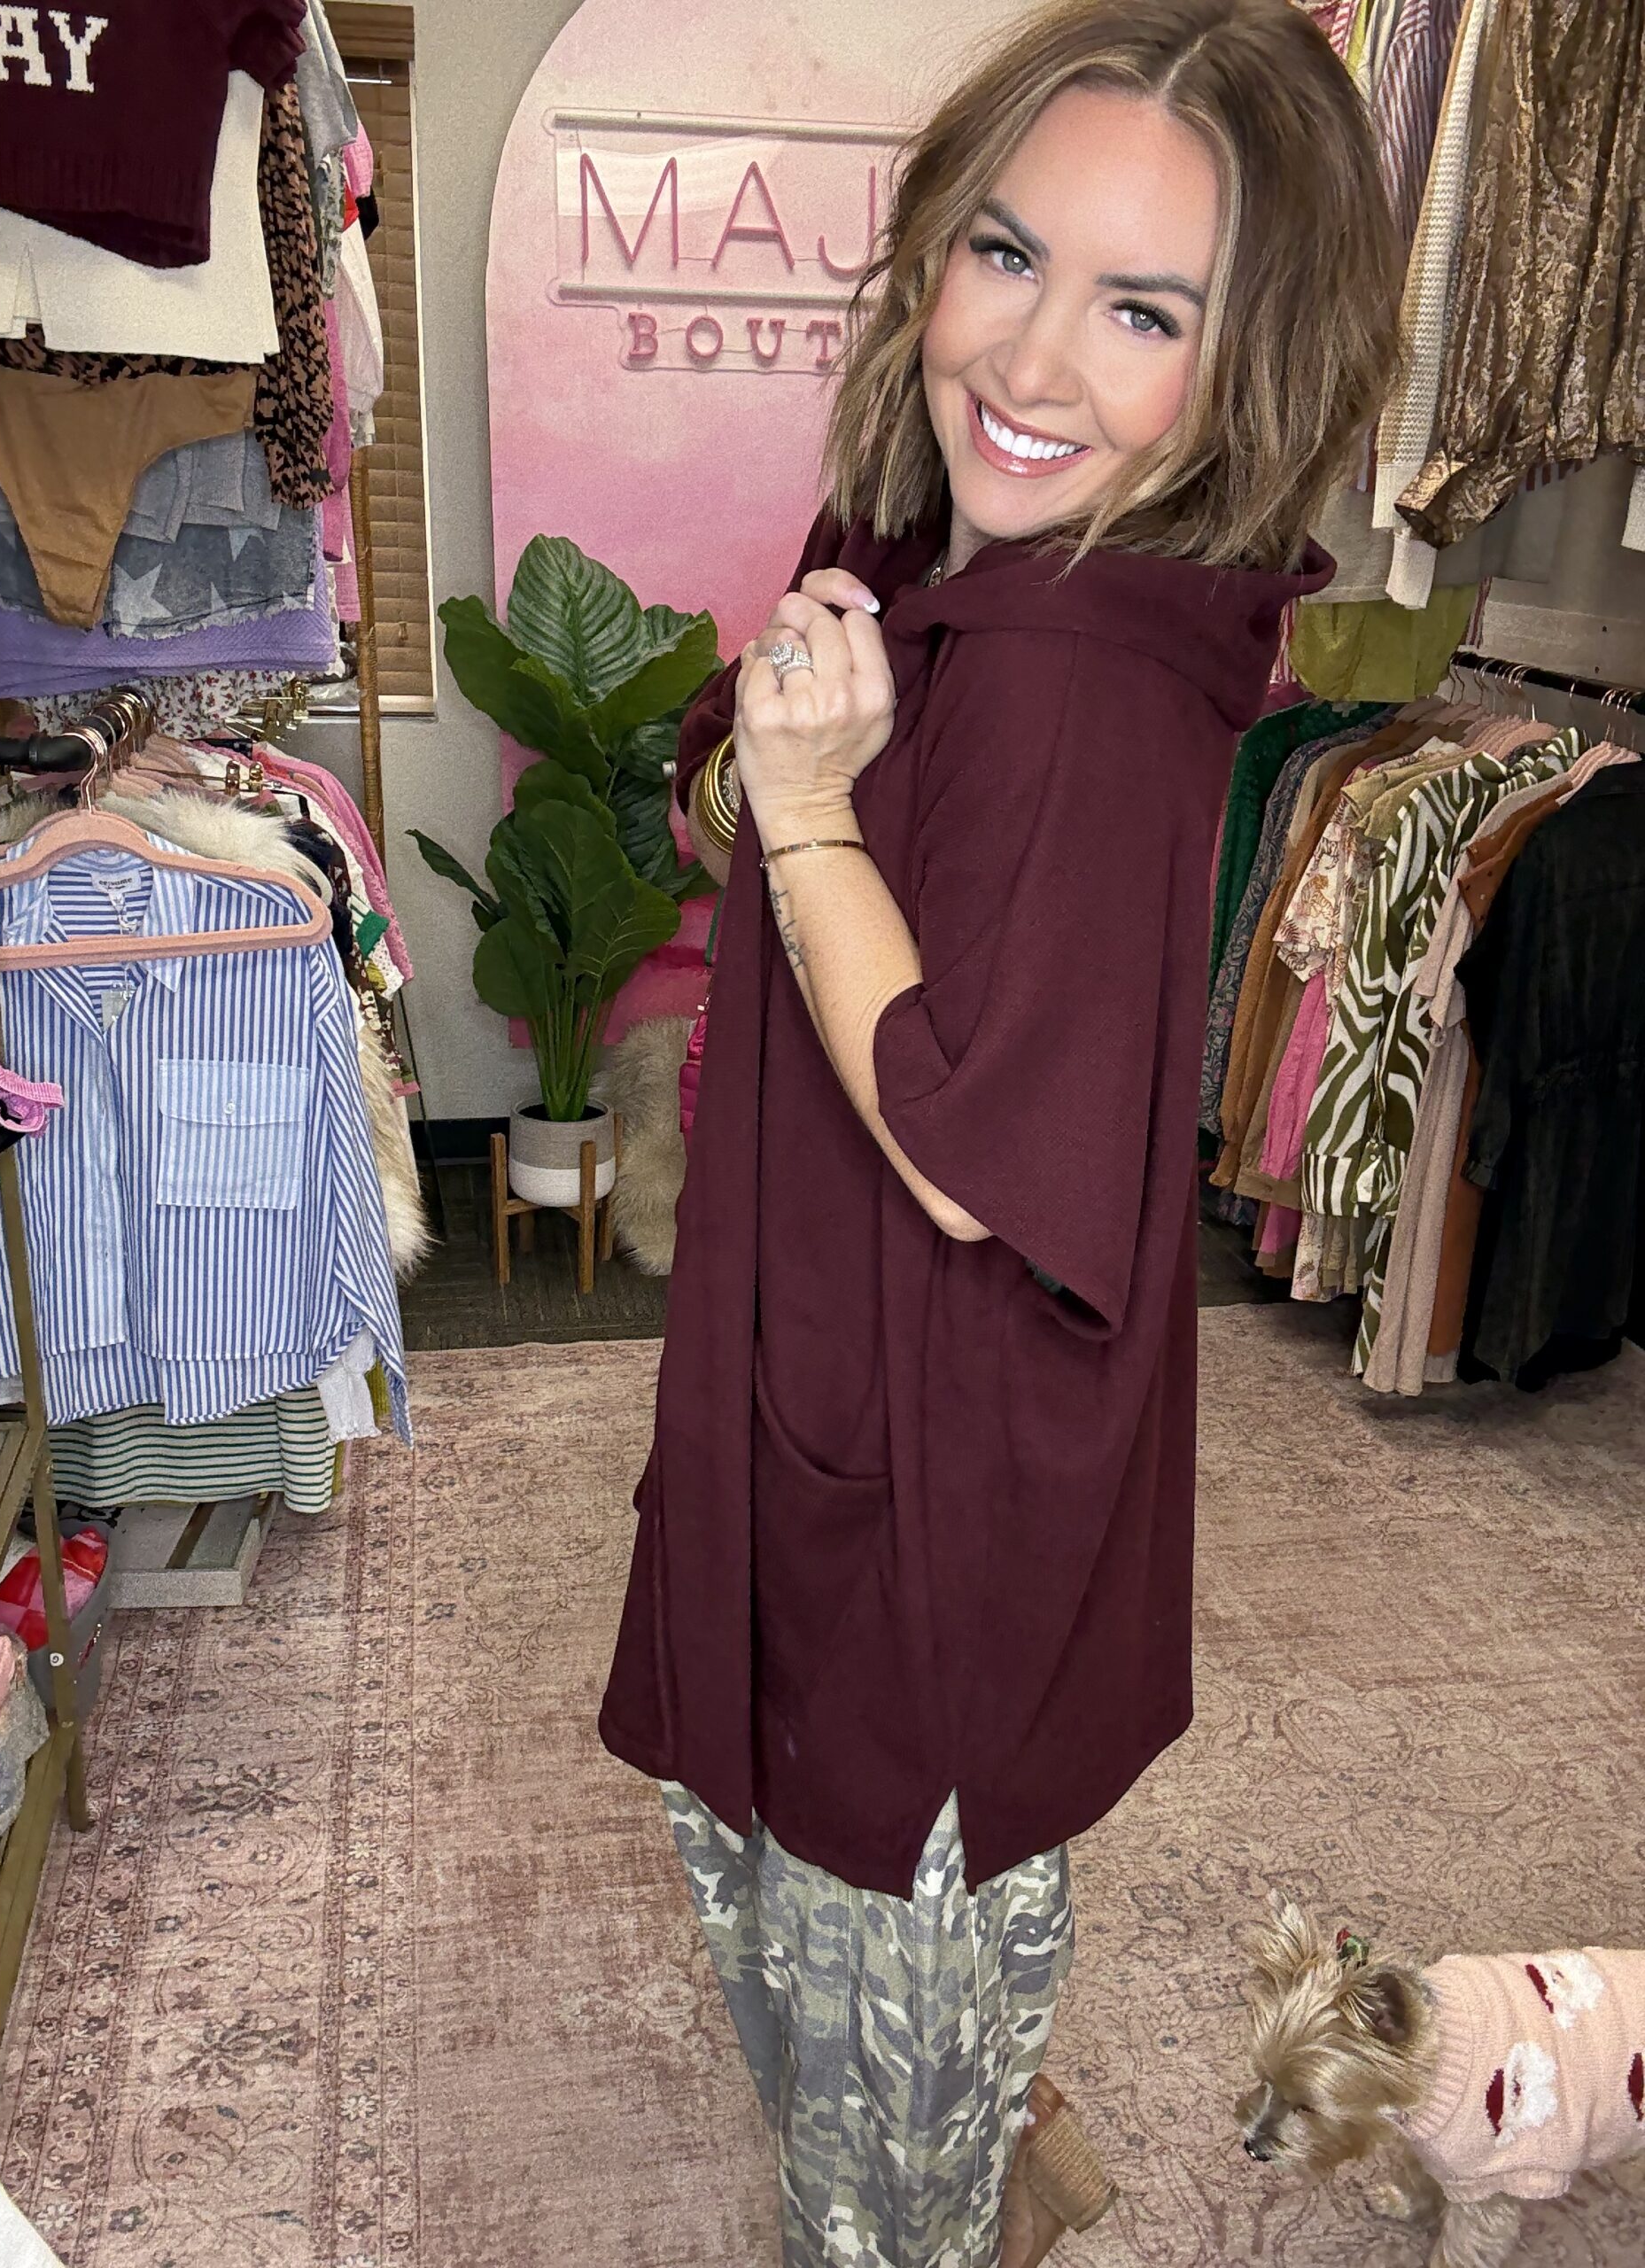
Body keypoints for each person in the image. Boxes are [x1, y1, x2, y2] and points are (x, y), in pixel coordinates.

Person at [600, 3, 1402, 2261]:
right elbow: (758, 778)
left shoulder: (1074, 668)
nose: (1033, 361)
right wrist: (775, 767)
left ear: (1244, 371)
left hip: (930, 1503)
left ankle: (961, 2178)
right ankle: (983, 2140)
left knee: (875, 2085)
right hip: (847, 1395)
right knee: (808, 1940)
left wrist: (798, 805)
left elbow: (969, 1144)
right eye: (1009, 254)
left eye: (1145, 310)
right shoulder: (931, 534)